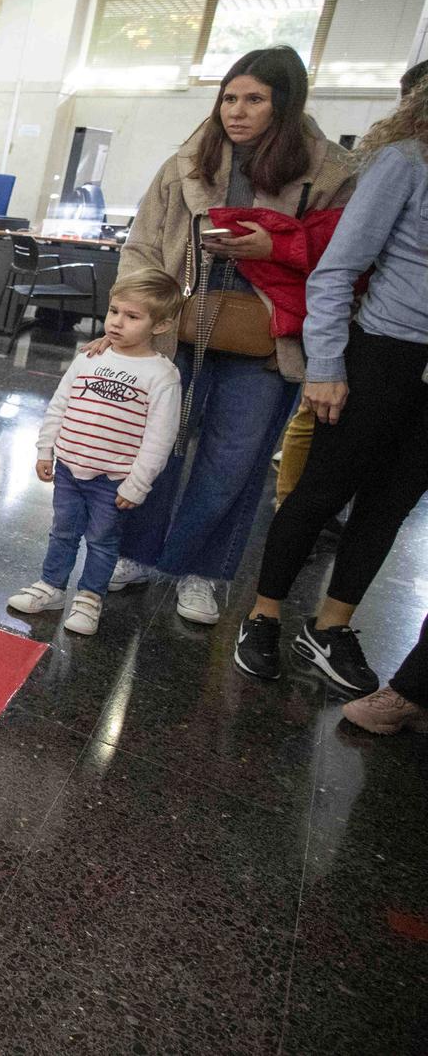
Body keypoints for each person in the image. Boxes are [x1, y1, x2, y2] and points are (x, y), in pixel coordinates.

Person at [103, 46, 356, 625]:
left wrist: (277, 249)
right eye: (229, 98)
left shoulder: (331, 173)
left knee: (233, 464)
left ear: (284, 104)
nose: (236, 112)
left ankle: (202, 570)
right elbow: (142, 244)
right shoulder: (187, 163)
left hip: (266, 339)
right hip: (177, 326)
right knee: (158, 447)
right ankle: (136, 555)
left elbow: (348, 262)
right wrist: (127, 319)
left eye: (255, 100)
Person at [235, 71, 428, 696]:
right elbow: (336, 268)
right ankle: (263, 615)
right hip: (382, 354)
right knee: (320, 493)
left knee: (390, 506)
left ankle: (330, 627)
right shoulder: (405, 162)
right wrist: (325, 365)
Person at [8, 272, 184, 635]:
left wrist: (137, 484)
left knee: (102, 542)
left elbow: (160, 437)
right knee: (62, 532)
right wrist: (46, 449)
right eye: (114, 311)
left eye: (132, 317)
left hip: (113, 478)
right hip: (70, 470)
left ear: (162, 324)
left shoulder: (161, 375)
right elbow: (59, 405)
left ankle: (89, 598)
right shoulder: (89, 356)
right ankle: (52, 587)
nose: (117, 322)